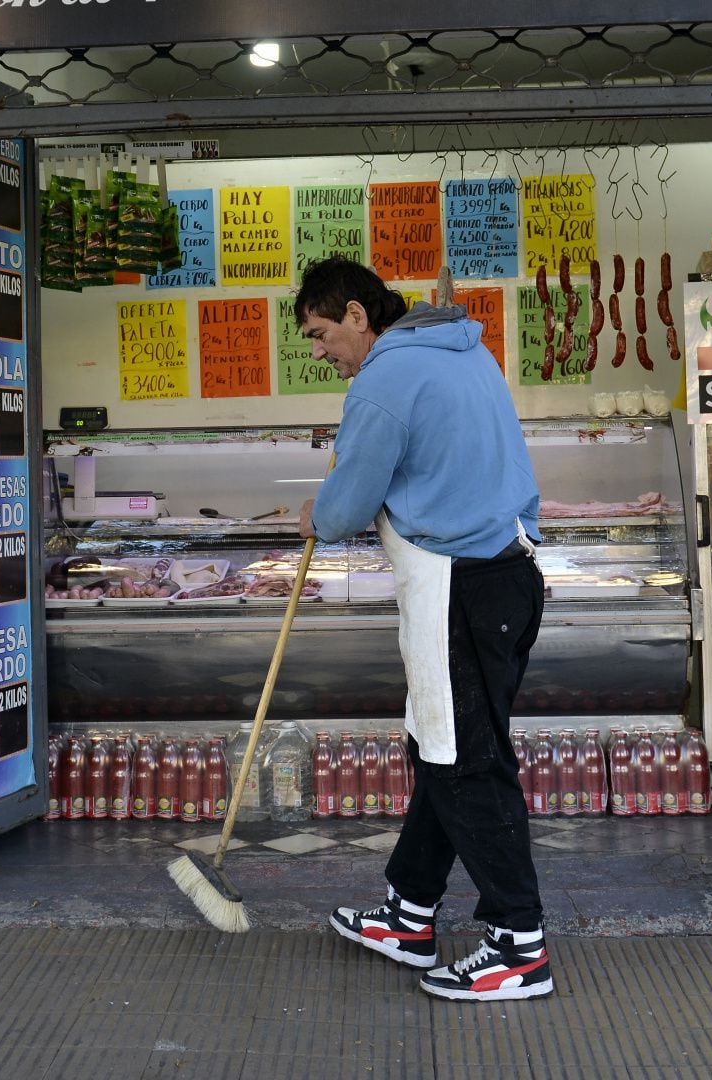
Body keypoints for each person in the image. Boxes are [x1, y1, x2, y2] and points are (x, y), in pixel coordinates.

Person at [295, 256, 551, 1002]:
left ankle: (517, 945)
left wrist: (320, 511)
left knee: (466, 761)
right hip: (510, 575)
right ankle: (409, 912)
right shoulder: (466, 349)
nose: (320, 352)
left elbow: (343, 511)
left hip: (458, 586)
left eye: (319, 334)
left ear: (355, 315)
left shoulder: (385, 378)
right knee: (439, 748)